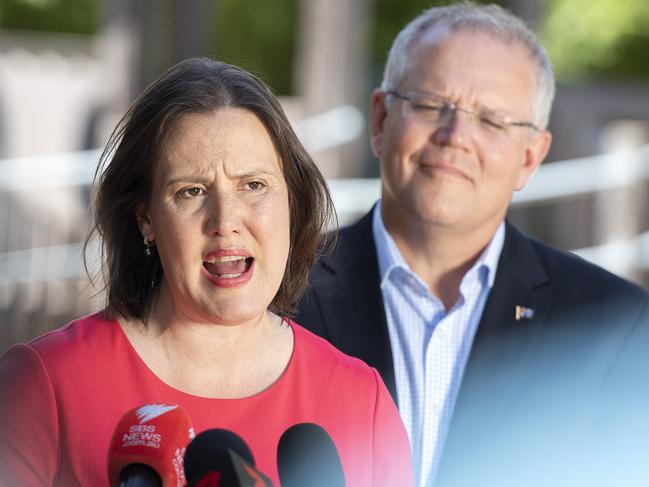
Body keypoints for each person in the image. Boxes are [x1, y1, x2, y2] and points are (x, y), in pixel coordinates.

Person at [0, 58, 413, 486]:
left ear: (292, 201)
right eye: (192, 191)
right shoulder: (45, 386)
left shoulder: (363, 404)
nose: (226, 219)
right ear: (145, 218)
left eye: (254, 185)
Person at [296, 3, 649, 486]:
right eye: (429, 103)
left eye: (492, 120)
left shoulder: (614, 326)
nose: (455, 136)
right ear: (380, 120)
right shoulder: (280, 292)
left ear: (531, 157)